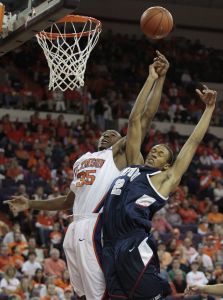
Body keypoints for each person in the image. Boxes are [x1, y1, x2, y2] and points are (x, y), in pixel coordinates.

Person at [4, 51, 169, 300]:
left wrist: (155, 80)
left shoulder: (119, 156)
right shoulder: (83, 160)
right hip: (74, 226)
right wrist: (31, 204)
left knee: (99, 294)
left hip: (96, 225)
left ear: (122, 142)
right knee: (79, 294)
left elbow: (142, 120)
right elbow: (67, 201)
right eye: (105, 133)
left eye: (114, 134)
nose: (107, 134)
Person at [102, 85, 217, 299]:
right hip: (108, 243)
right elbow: (135, 120)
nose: (154, 151)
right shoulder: (133, 165)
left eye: (161, 153)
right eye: (153, 149)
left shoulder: (164, 178)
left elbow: (192, 143)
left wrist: (209, 109)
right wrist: (153, 78)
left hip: (132, 244)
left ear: (167, 165)